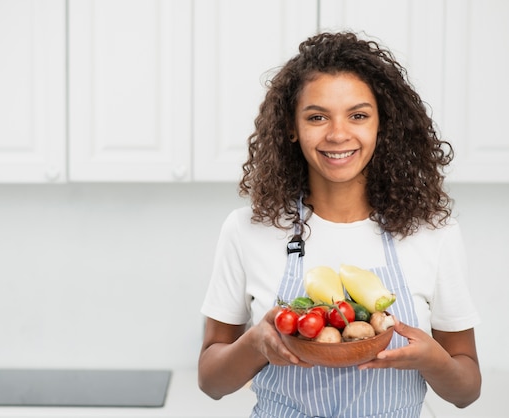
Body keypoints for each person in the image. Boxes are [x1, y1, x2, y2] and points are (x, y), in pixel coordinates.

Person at [198, 31, 481, 418]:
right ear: (291, 127)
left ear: (383, 124)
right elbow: (211, 382)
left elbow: (467, 391)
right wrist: (254, 344)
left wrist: (433, 360)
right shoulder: (248, 229)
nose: (337, 134)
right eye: (317, 117)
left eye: (358, 115)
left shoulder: (432, 233)